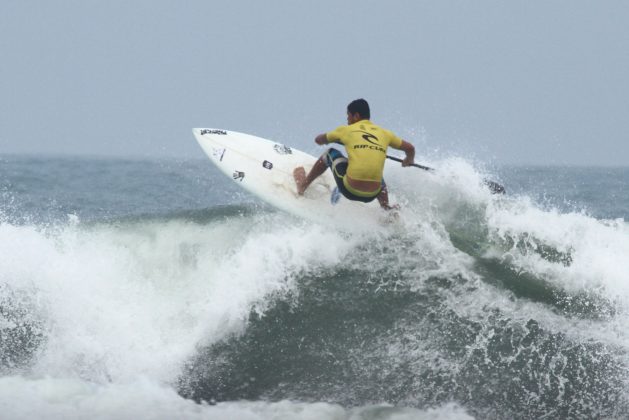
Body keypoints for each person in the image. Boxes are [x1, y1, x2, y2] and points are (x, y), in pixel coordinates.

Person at [293, 99, 415, 210]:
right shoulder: (385, 133)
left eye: (348, 116)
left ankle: (302, 186)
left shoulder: (345, 130)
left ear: (356, 116)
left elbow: (318, 140)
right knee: (372, 168)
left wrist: (336, 139)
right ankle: (386, 208)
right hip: (372, 195)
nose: (347, 120)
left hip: (350, 190)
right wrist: (408, 160)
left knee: (329, 153)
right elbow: (410, 148)